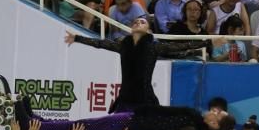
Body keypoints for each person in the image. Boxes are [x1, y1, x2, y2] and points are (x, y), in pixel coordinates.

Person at [64, 18, 206, 112]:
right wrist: (77, 38)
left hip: (145, 99)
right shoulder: (123, 45)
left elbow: (180, 47)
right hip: (125, 98)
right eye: (135, 22)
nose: (138, 23)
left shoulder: (154, 47)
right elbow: (101, 43)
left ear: (149, 30)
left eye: (142, 22)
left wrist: (208, 43)